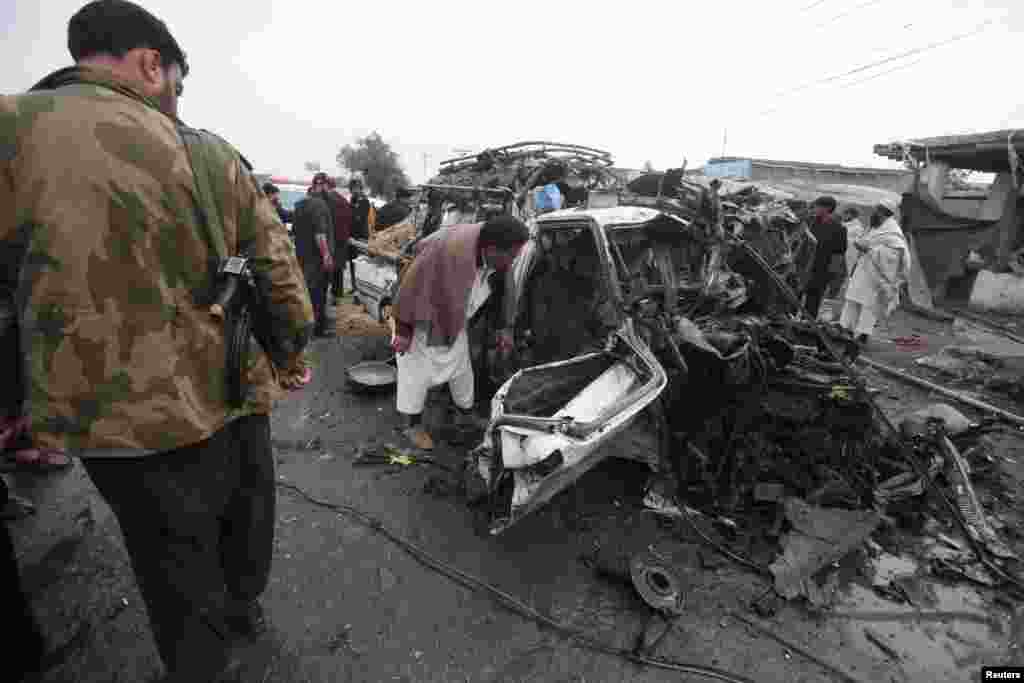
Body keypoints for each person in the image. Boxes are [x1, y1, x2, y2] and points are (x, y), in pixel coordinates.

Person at [0, 2, 315, 681]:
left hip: (110, 423)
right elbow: (278, 273)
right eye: (176, 80)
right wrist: (291, 354)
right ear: (151, 64)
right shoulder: (207, 151)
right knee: (245, 519)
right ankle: (238, 611)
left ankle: (201, 652)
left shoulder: (12, 130)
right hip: (229, 392)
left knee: (167, 559)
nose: (174, 97)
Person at [391, 216, 527, 450]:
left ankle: (466, 415)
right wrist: (403, 330)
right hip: (423, 323)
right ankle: (412, 425)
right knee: (415, 377)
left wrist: (504, 329)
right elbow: (410, 286)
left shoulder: (496, 260)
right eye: (512, 255)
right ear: (492, 249)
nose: (513, 260)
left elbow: (502, 295)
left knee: (462, 372)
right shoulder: (447, 251)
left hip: (454, 322)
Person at [840, 198, 911, 345]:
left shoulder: (892, 231)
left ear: (883, 212)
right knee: (852, 300)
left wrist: (871, 250)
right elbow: (865, 240)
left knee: (869, 305)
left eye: (876, 210)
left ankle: (862, 335)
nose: (873, 213)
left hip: (876, 276)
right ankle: (845, 329)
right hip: (862, 270)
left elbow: (895, 255)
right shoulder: (875, 226)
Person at [292, 173, 336, 336]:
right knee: (318, 294)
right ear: (323, 186)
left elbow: (295, 232)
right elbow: (320, 234)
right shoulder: (320, 205)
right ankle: (317, 329)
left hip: (302, 256)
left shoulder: (299, 205)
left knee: (305, 292)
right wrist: (326, 256)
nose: (329, 191)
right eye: (328, 187)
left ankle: (303, 326)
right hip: (316, 260)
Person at [803, 195, 848, 321]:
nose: (815, 209)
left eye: (817, 206)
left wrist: (831, 274)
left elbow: (839, 253)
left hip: (822, 268)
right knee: (795, 294)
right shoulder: (810, 222)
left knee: (813, 299)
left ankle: (807, 322)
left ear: (827, 208)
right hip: (804, 266)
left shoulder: (839, 228)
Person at [326, 178, 353, 303]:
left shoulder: (327, 200)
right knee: (338, 270)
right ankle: (337, 295)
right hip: (342, 239)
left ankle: (329, 296)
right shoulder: (343, 200)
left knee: (328, 269)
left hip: (331, 239)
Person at [348, 177, 376, 290]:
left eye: (357, 188)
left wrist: (352, 214)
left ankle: (360, 288)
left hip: (361, 237)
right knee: (352, 263)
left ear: (361, 188)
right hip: (352, 236)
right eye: (352, 188)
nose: (354, 190)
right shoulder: (352, 200)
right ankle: (354, 287)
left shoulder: (364, 201)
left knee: (360, 264)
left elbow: (359, 218)